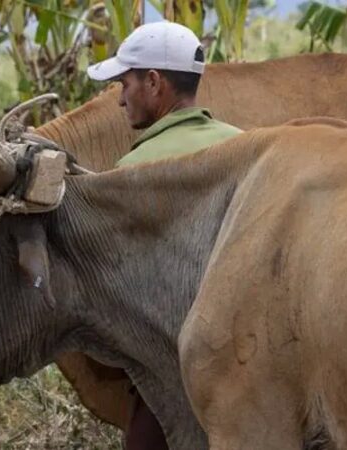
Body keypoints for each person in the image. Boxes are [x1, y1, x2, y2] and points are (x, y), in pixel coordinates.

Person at [86, 21, 242, 449]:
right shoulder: (246, 146)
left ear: (154, 82)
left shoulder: (133, 172)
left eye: (125, 83)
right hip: (250, 371)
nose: (119, 99)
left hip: (170, 377)